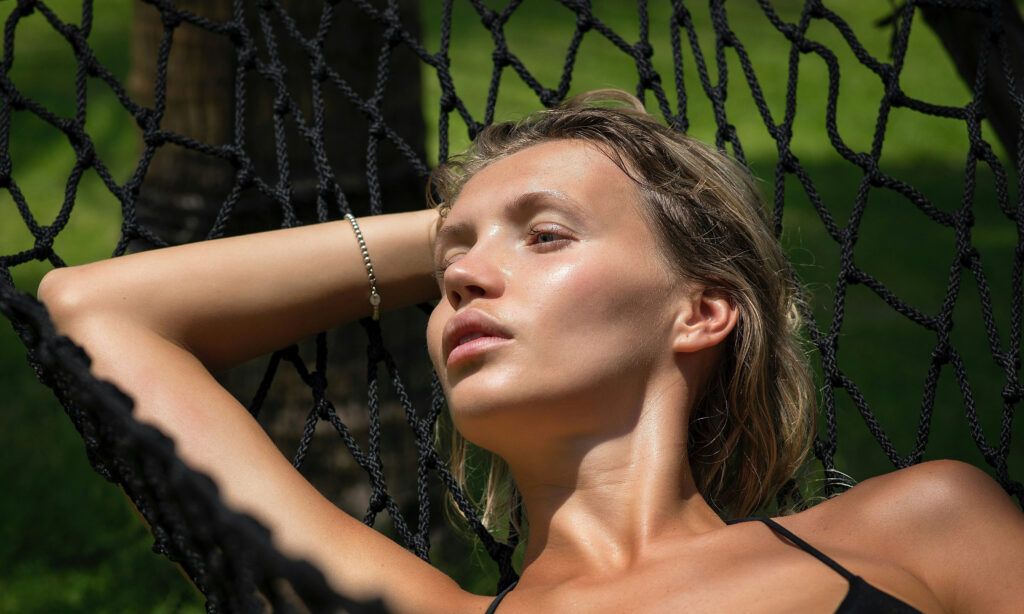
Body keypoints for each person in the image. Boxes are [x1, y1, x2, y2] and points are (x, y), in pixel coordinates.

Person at [37, 89, 1022, 613]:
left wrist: (480, 221)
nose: (461, 281)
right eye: (447, 267)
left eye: (547, 236)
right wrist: (457, 228)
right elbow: (97, 308)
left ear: (701, 310)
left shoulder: (920, 528)